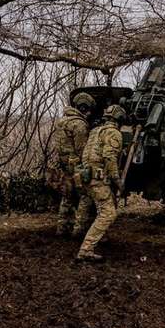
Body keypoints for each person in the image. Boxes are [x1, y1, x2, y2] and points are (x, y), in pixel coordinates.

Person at [75, 104, 126, 261]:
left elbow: (86, 154)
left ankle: (100, 237)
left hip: (86, 177)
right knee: (108, 213)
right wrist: (117, 180)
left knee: (102, 207)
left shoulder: (95, 131)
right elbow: (109, 158)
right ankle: (86, 250)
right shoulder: (113, 133)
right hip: (98, 179)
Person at [50, 92, 95, 236]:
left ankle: (62, 228)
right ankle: (79, 230)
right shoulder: (79, 124)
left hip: (63, 165)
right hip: (76, 166)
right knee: (85, 196)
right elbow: (82, 150)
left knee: (67, 197)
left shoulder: (62, 121)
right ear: (84, 107)